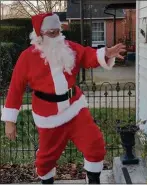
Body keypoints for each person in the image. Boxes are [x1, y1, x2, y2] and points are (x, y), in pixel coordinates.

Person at [1, 13, 125, 184]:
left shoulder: (69, 47)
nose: (56, 36)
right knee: (46, 159)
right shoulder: (27, 57)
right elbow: (16, 88)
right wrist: (10, 121)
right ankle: (47, 181)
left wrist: (106, 54)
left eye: (58, 31)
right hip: (48, 116)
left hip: (75, 108)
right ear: (40, 35)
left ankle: (94, 180)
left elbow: (87, 55)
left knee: (94, 143)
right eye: (51, 33)